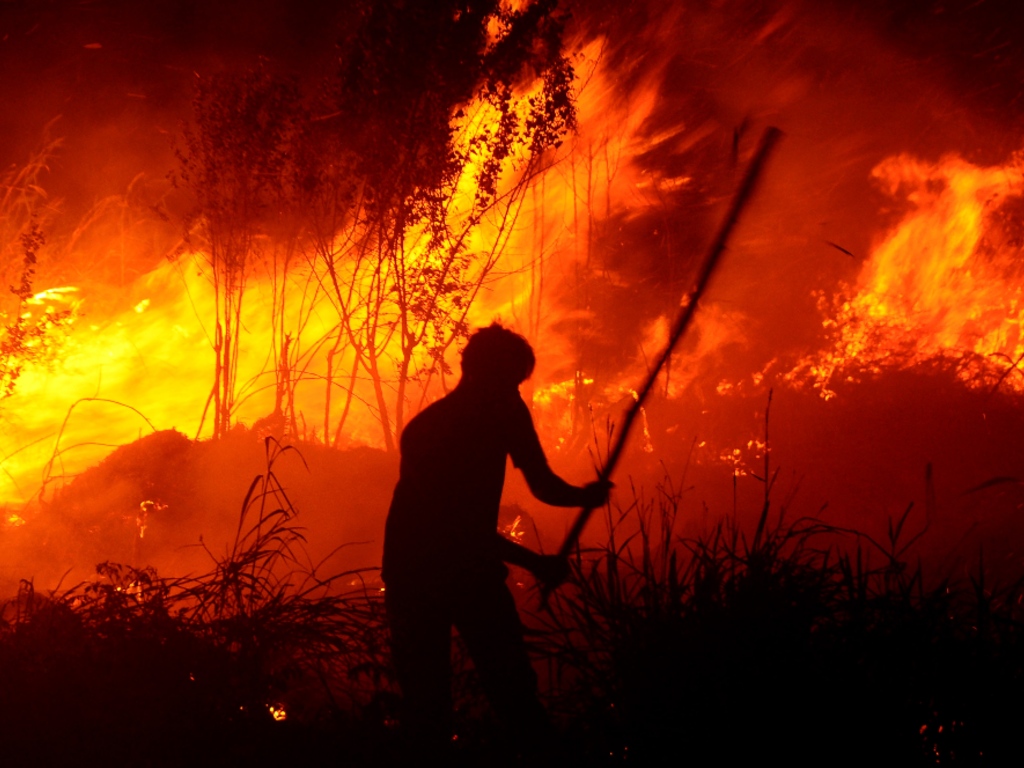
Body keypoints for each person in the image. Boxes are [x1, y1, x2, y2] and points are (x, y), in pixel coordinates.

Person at [382, 323, 610, 755]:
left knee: (513, 687)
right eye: (509, 382)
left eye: (518, 384)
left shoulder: (507, 411)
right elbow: (457, 529)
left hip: (472, 572)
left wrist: (585, 496)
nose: (517, 394)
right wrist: (536, 562)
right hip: (418, 576)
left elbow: (542, 484)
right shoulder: (429, 433)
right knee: (429, 702)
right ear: (479, 375)